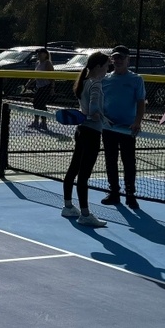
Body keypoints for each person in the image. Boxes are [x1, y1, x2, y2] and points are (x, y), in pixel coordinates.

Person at [61, 51, 111, 227]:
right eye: (106, 67)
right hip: (91, 134)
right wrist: (100, 117)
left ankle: (68, 206)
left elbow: (88, 111)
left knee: (74, 169)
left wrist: (104, 118)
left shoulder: (83, 81)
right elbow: (94, 111)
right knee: (84, 175)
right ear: (98, 67)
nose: (107, 70)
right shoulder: (96, 84)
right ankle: (85, 214)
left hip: (81, 131)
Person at [100, 45, 147, 210]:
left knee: (129, 162)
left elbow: (141, 102)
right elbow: (99, 102)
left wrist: (137, 121)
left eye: (121, 58)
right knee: (110, 160)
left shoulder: (136, 79)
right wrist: (103, 119)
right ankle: (114, 192)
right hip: (109, 128)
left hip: (128, 129)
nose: (118, 60)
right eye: (115, 58)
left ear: (128, 60)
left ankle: (130, 195)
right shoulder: (105, 79)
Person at [29, 47, 55, 130]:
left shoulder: (47, 63)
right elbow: (34, 75)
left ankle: (43, 122)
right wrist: (28, 83)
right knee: (36, 103)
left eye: (41, 53)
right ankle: (36, 121)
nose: (39, 55)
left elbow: (52, 77)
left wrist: (52, 88)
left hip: (45, 86)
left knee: (41, 104)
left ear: (45, 54)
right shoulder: (37, 63)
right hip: (38, 86)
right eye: (38, 53)